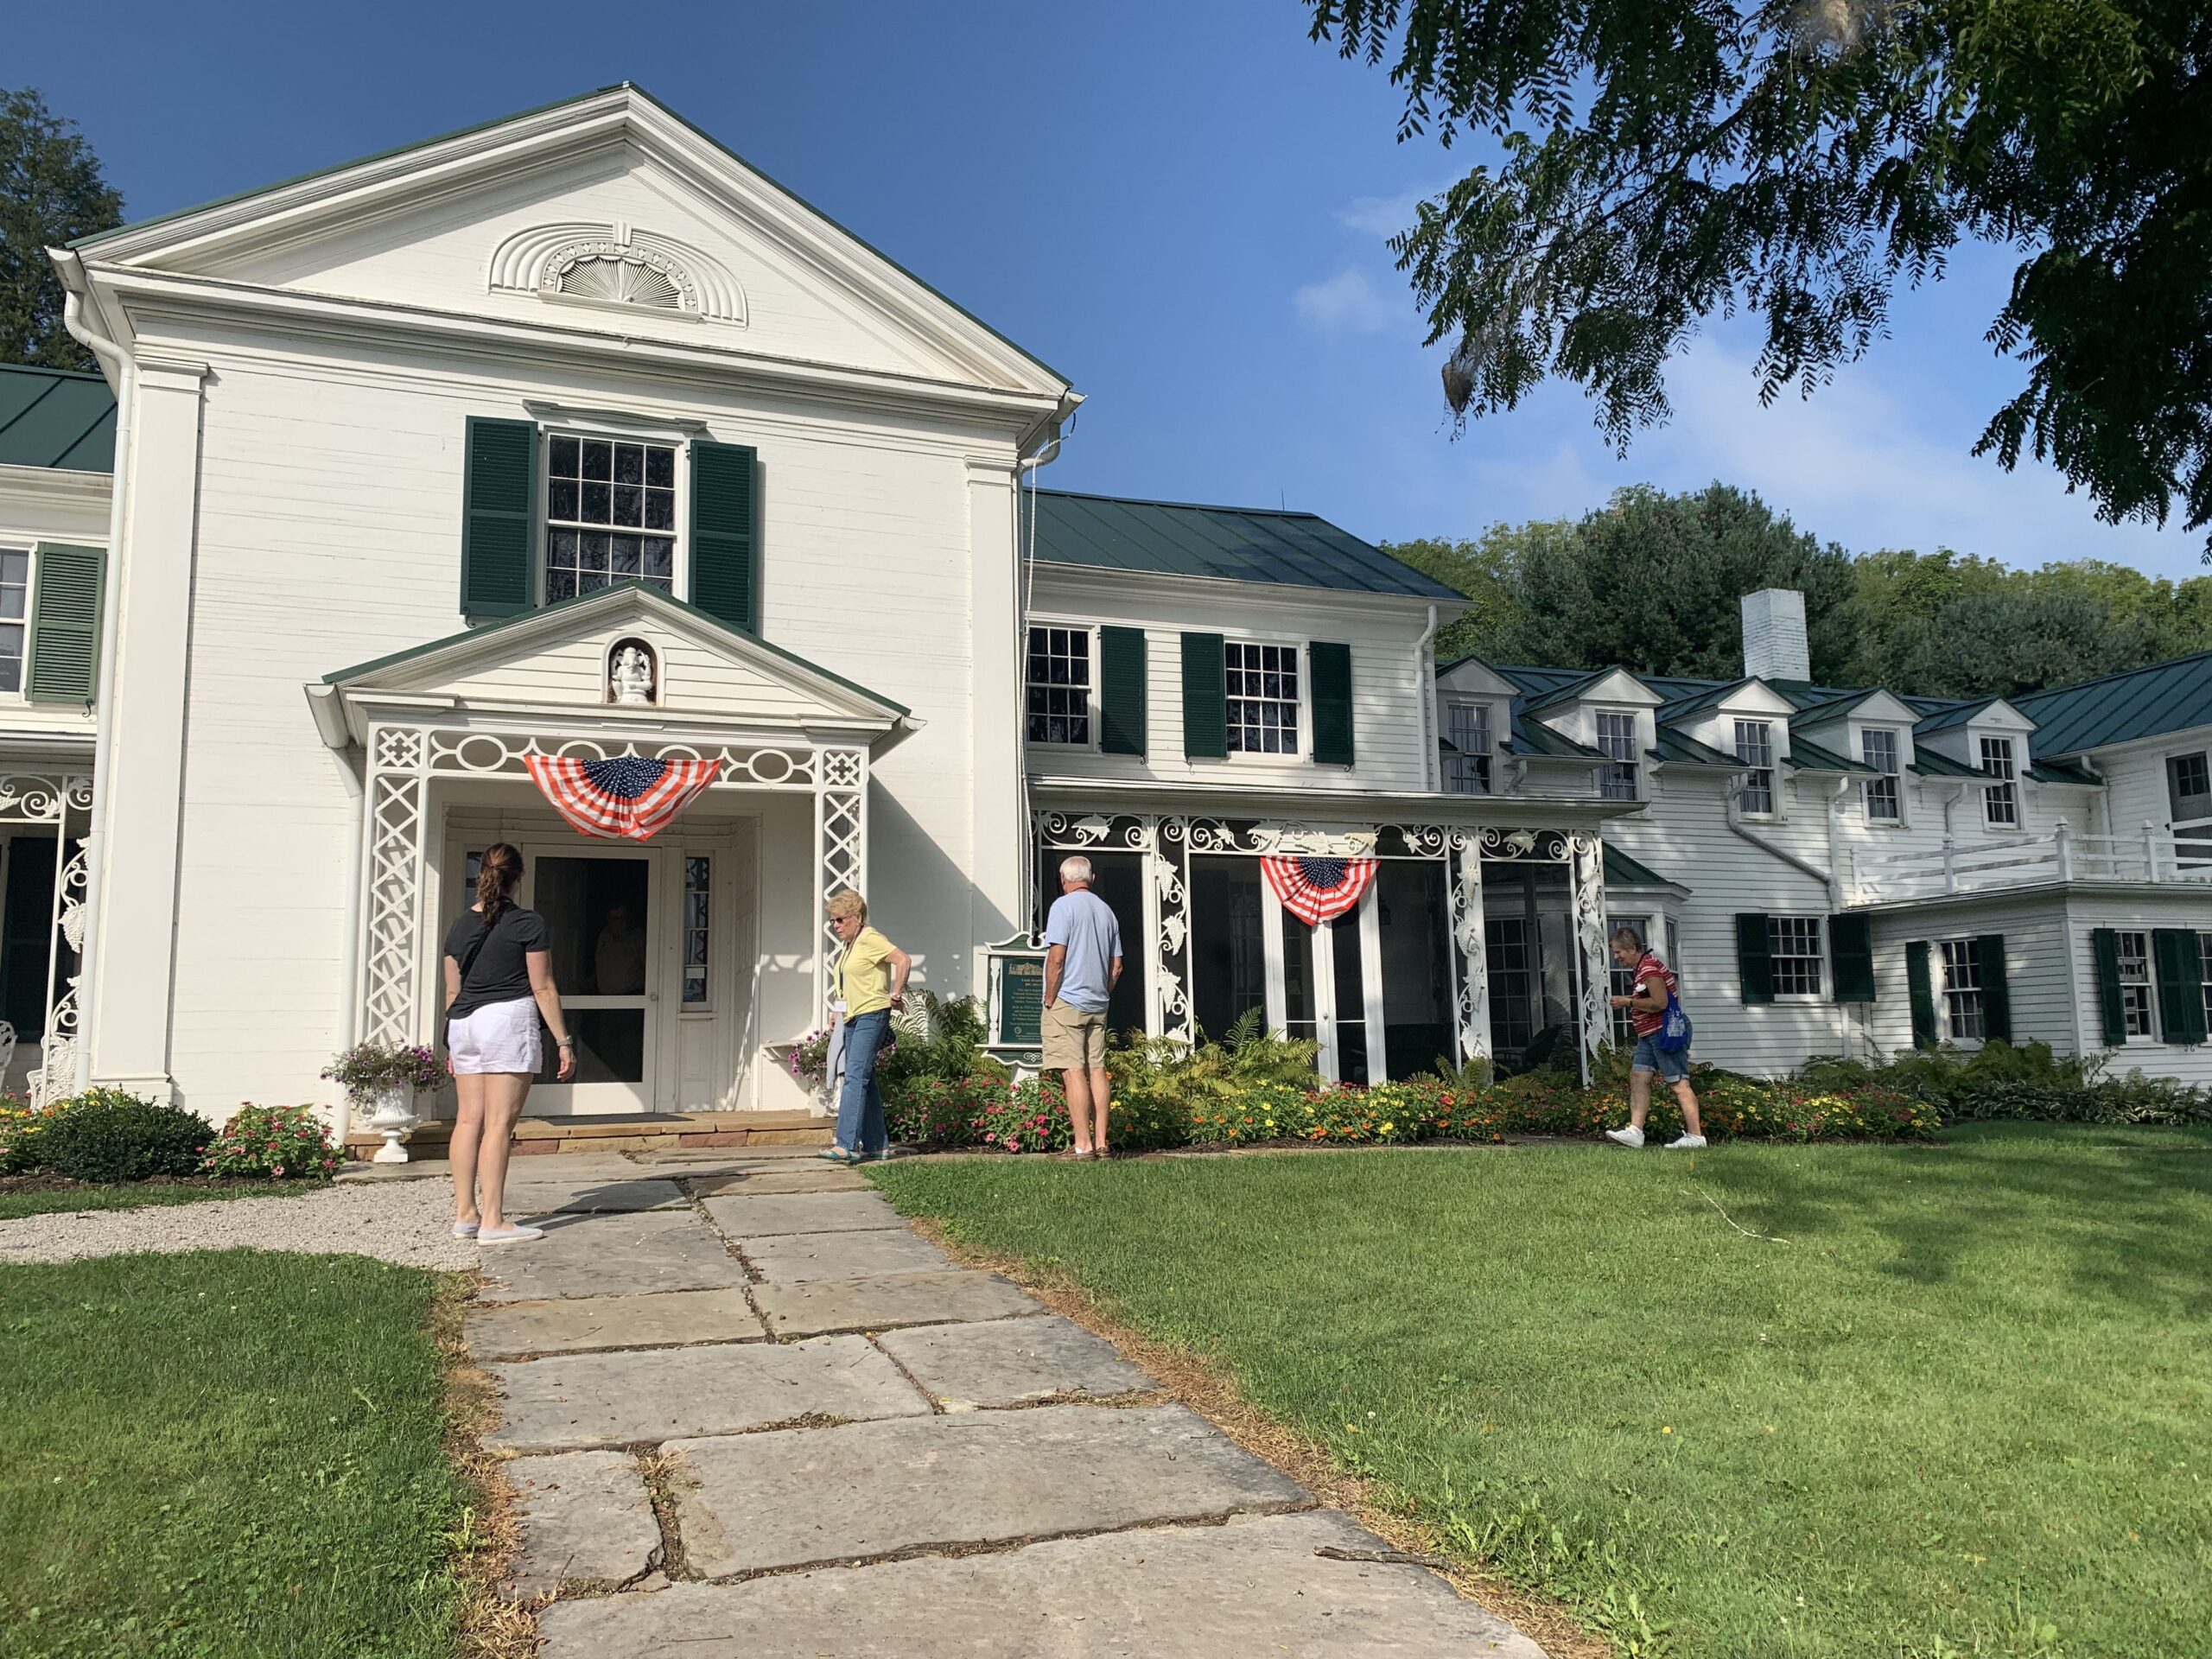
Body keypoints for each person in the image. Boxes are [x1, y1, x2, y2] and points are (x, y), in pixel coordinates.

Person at [443, 843, 576, 1243]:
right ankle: (494, 1222)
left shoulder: (458, 926)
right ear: (518, 878)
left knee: (468, 1120)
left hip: (463, 1023)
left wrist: (451, 1045)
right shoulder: (528, 923)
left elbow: (452, 992)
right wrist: (563, 1041)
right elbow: (542, 986)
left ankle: (466, 1214)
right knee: (499, 1124)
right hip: (506, 1019)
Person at [1041, 855, 1123, 1160]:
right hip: (1097, 1003)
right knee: (1098, 1069)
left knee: (1072, 1071)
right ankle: (1102, 1143)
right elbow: (1116, 967)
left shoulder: (1062, 907)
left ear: (1064, 880)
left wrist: (1050, 996)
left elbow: (1057, 958)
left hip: (1068, 1000)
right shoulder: (1107, 911)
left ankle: (1082, 1145)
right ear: (1092, 879)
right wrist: (1104, 992)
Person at [823, 887, 909, 1164]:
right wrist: (837, 1011)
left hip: (872, 1015)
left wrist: (896, 992)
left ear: (857, 917)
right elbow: (847, 985)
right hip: (852, 1017)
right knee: (865, 1079)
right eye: (833, 921)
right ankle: (876, 1145)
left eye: (840, 920)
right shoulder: (850, 945)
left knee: (854, 1077)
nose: (835, 926)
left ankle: (846, 1143)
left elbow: (902, 960)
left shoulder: (870, 938)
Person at [1604, 925, 1707, 1150]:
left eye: (1619, 952)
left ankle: (1696, 1137)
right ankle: (1635, 1132)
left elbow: (1661, 1003)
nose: (1616, 957)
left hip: (1665, 1033)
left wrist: (1628, 1001)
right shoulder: (1642, 967)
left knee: (1679, 1083)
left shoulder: (1649, 968)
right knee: (1639, 1077)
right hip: (1649, 1034)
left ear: (1632, 949)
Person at [594, 901, 646, 995]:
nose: (619, 923)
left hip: (631, 996)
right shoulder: (603, 936)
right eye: (614, 919)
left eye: (623, 918)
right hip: (605, 998)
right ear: (608, 919)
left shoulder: (637, 937)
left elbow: (648, 967)